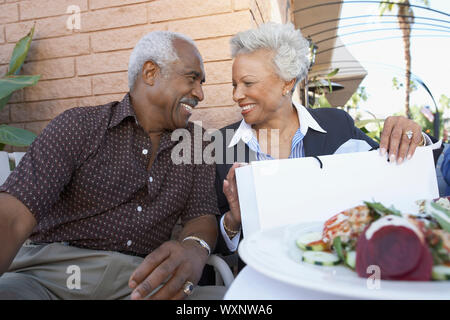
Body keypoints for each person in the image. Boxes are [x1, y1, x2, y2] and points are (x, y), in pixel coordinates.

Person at [0, 31, 224, 300]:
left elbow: (201, 215)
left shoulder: (196, 143)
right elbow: (12, 218)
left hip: (139, 284)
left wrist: (194, 248)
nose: (200, 93)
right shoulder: (79, 126)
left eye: (201, 82)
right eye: (192, 78)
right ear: (150, 73)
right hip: (47, 280)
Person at [213, 22, 443, 265]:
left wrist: (413, 140)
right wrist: (232, 221)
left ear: (287, 82)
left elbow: (395, 172)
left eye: (247, 83)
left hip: (336, 271)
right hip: (265, 278)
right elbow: (209, 238)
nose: (236, 95)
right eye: (234, 85)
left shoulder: (337, 125)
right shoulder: (221, 144)